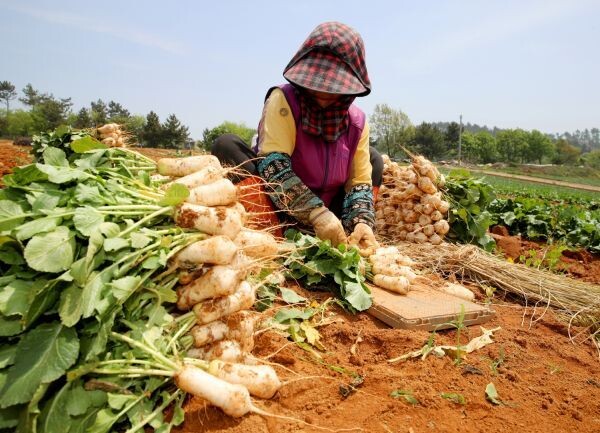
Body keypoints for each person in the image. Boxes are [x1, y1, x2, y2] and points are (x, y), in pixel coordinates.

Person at [212, 21, 382, 251]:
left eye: (332, 86)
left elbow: (359, 182)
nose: (322, 92)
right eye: (317, 83)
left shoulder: (357, 122)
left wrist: (362, 220)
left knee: (374, 159)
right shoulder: (284, 100)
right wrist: (315, 213)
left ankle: (353, 235)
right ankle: (271, 235)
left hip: (331, 215)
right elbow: (274, 164)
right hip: (278, 205)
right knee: (226, 145)